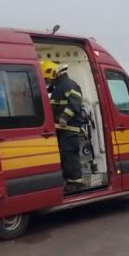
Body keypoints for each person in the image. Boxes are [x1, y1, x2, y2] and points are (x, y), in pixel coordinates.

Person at [42, 60, 86, 191]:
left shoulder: (68, 85)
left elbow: (75, 103)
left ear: (54, 73)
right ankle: (69, 180)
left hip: (69, 128)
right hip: (61, 129)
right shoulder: (58, 87)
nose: (47, 81)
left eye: (47, 78)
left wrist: (64, 117)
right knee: (64, 155)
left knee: (69, 154)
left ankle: (76, 182)